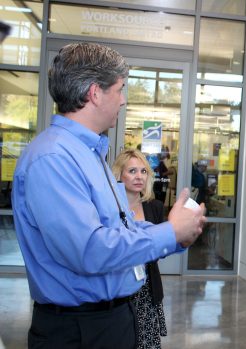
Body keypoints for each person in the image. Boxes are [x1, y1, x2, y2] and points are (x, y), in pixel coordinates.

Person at [11, 42, 206, 349]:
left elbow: (119, 229)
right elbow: (90, 250)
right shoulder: (52, 158)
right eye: (120, 89)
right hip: (78, 330)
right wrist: (169, 232)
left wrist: (176, 236)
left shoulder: (90, 154)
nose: (124, 100)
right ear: (95, 93)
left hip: (109, 321)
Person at [112, 149, 168, 349]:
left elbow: (160, 247)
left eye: (143, 171)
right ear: (119, 175)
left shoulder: (155, 207)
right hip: (118, 288)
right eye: (132, 171)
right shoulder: (109, 207)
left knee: (147, 342)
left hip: (147, 287)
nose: (139, 176)